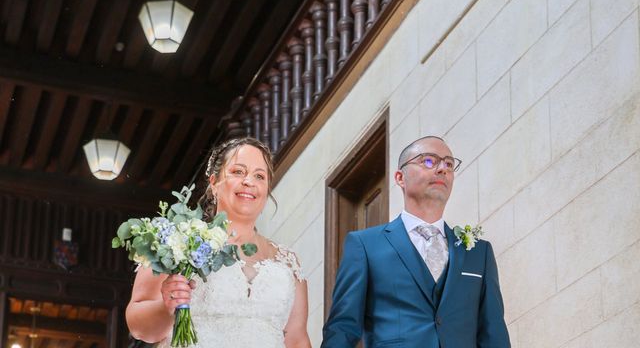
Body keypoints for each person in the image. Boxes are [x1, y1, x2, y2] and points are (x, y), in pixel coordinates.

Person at [322, 136, 510, 348]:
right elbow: (343, 327)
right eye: (428, 161)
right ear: (400, 177)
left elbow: (494, 332)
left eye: (449, 164)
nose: (442, 169)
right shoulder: (365, 245)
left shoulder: (479, 252)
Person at [126, 137, 312, 348]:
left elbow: (297, 339)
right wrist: (166, 307)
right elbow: (138, 327)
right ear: (214, 183)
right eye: (238, 172)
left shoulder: (287, 263)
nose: (249, 182)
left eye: (259, 176)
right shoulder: (176, 242)